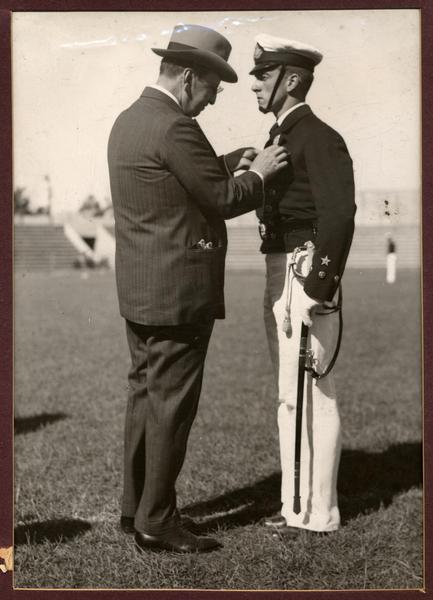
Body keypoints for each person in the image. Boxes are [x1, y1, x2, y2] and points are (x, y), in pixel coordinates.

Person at [107, 24, 289, 554]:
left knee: (144, 397)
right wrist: (263, 175)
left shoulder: (131, 120)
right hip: (179, 295)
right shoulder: (175, 127)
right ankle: (157, 521)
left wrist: (230, 161)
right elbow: (221, 199)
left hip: (141, 291)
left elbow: (173, 183)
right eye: (213, 86)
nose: (213, 98)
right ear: (189, 76)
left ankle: (134, 507)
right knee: (171, 407)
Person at [249, 34, 356, 535]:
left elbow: (338, 213)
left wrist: (317, 286)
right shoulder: (279, 137)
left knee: (314, 391)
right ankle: (298, 507)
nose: (253, 83)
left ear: (291, 79)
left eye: (263, 74)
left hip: (304, 270)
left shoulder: (317, 135)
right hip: (283, 268)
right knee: (291, 393)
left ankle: (319, 512)